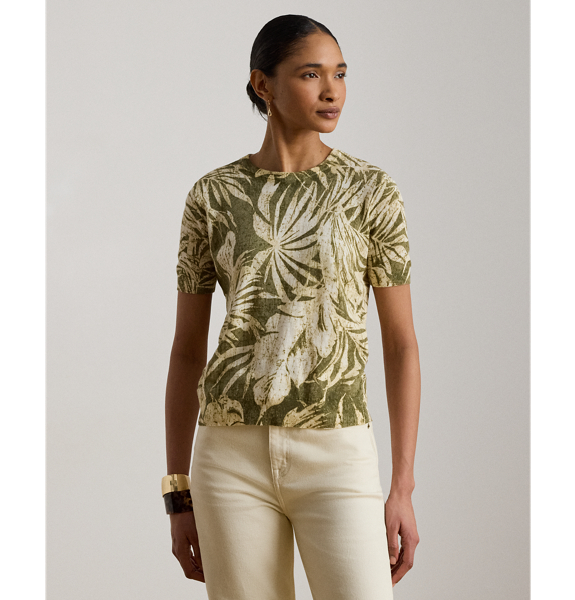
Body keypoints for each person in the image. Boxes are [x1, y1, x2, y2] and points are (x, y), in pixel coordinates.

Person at [162, 14, 421, 600]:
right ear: (263, 85)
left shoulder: (370, 191)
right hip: (229, 458)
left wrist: (402, 487)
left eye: (340, 74)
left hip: (337, 450)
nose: (332, 91)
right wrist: (178, 492)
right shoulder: (213, 196)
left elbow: (402, 345)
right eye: (311, 74)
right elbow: (186, 351)